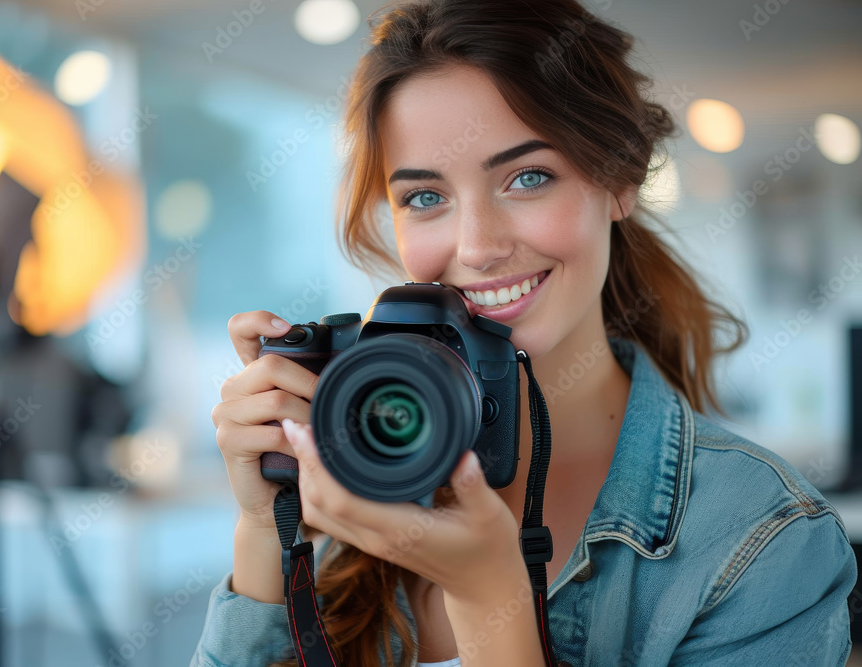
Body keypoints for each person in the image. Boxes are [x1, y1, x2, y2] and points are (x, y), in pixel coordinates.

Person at [194, 0, 857, 665]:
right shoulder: (347, 465)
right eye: (425, 197)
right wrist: (264, 532)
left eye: (528, 177)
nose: (477, 247)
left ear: (620, 177)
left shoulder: (763, 539)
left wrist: (491, 602)